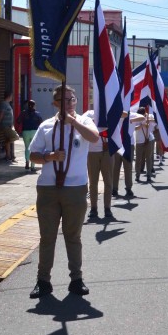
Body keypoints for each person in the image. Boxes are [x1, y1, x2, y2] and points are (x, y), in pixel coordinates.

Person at [27, 85, 100, 298]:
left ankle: (76, 279)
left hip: (75, 189)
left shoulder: (84, 121)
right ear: (55, 103)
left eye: (72, 99)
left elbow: (94, 138)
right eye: (64, 100)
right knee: (47, 236)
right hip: (48, 189)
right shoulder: (46, 126)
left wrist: (73, 122)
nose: (69, 104)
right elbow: (32, 155)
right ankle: (43, 281)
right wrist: (49, 156)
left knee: (73, 236)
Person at [83, 108, 114, 221]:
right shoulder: (88, 114)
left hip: (107, 151)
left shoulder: (110, 112)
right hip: (93, 152)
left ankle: (107, 208)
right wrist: (94, 120)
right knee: (93, 182)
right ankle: (93, 208)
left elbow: (123, 115)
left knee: (108, 181)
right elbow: (82, 122)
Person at [18, 100, 43, 172]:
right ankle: (32, 166)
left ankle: (27, 162)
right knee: (33, 148)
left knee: (27, 148)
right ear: (34, 106)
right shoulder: (37, 114)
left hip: (25, 131)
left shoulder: (23, 113)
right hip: (34, 132)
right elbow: (41, 123)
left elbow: (18, 121)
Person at [134, 106, 156, 184]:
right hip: (139, 141)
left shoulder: (149, 116)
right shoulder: (136, 118)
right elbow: (134, 128)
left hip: (148, 140)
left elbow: (156, 121)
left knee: (148, 158)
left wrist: (148, 120)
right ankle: (137, 175)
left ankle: (149, 175)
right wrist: (142, 125)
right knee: (138, 159)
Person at [0, 90, 19, 163]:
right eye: (11, 96)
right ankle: (4, 144)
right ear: (9, 96)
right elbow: (1, 113)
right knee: (15, 137)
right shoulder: (4, 104)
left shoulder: (8, 104)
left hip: (10, 125)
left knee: (9, 140)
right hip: (5, 125)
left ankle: (9, 156)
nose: (12, 97)